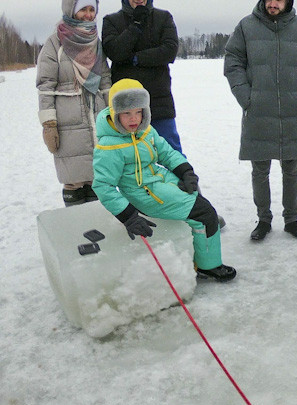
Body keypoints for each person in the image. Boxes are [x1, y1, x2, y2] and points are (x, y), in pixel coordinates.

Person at [92, 79, 236, 282]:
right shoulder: (109, 147)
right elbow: (103, 186)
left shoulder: (145, 131)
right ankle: (208, 266)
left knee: (194, 193)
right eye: (126, 113)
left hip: (158, 179)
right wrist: (128, 216)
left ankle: (198, 243)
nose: (134, 119)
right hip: (143, 193)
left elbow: (166, 152)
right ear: (115, 113)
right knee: (204, 213)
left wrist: (185, 171)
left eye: (138, 112)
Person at [224, 0, 297, 241]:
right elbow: (232, 61)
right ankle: (263, 220)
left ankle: (292, 220)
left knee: (291, 169)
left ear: (288, 1)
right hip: (259, 110)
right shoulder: (246, 27)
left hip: (292, 109)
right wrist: (247, 97)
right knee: (260, 170)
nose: (273, 4)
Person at [37, 0, 112, 206]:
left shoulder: (96, 43)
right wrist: (49, 124)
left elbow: (105, 80)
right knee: (73, 180)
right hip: (68, 121)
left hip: (97, 118)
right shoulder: (54, 44)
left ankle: (99, 223)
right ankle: (76, 227)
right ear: (71, 10)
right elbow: (45, 86)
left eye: (92, 9)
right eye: (83, 10)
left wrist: (113, 116)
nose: (88, 15)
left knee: (98, 177)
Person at [102, 0, 182, 152]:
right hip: (126, 104)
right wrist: (135, 25)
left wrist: (136, 58)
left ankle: (184, 181)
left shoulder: (163, 18)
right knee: (130, 155)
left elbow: (169, 51)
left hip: (159, 101)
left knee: (170, 151)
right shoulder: (112, 21)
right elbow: (115, 52)